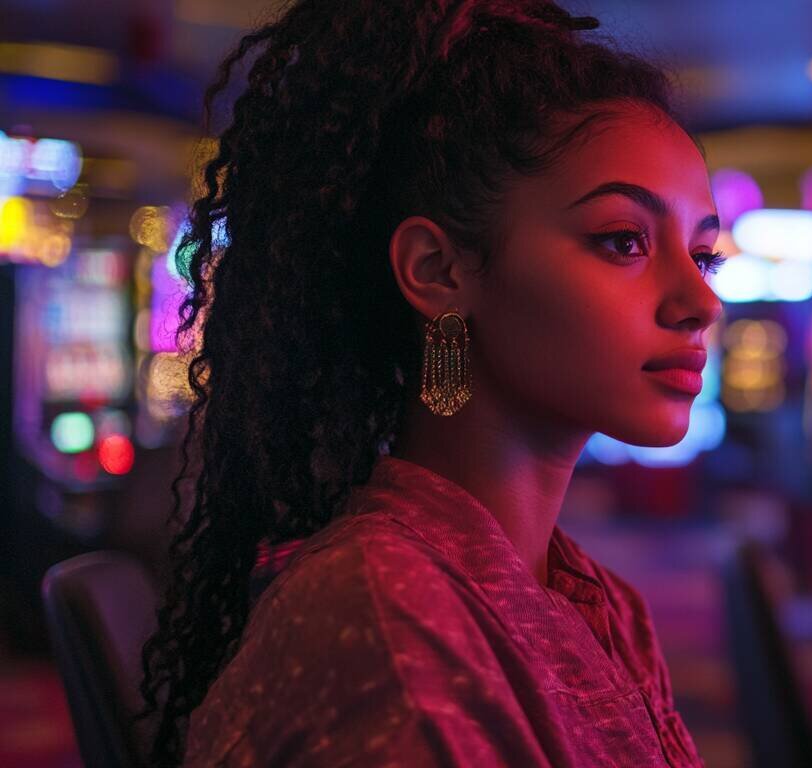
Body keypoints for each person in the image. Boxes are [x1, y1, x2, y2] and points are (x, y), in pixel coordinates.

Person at [137, 0, 723, 764]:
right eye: (624, 241)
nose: (700, 301)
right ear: (439, 272)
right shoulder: (388, 617)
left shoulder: (600, 604)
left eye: (706, 257)